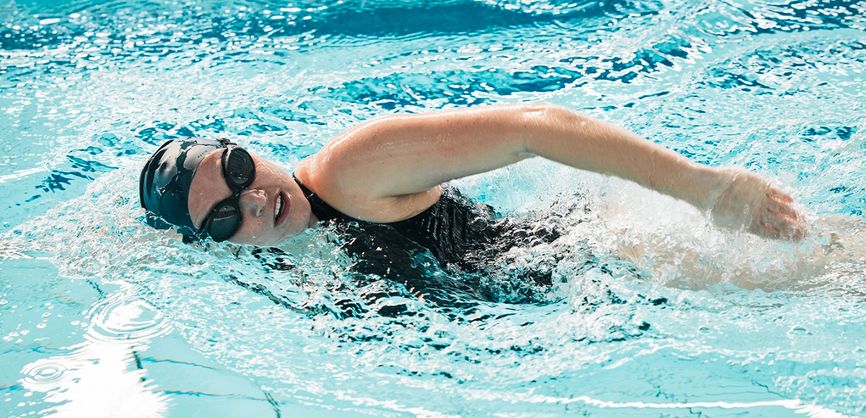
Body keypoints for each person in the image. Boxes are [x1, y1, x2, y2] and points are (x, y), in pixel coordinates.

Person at [139, 103, 807, 276]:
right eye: (224, 218)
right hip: (576, 286)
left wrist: (707, 189)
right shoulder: (287, 241)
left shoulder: (351, 169)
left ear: (242, 146)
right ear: (216, 246)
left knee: (858, 273)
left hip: (614, 257)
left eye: (234, 171)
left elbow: (532, 128)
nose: (253, 200)